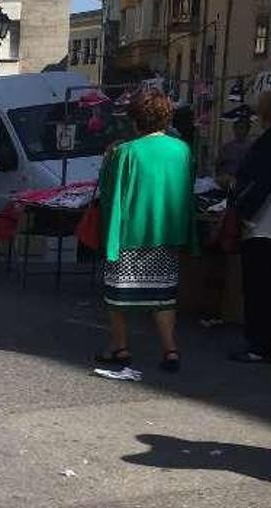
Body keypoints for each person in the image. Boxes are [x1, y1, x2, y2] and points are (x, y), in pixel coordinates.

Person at [92, 88, 195, 381]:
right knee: (163, 296)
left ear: (135, 119)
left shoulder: (124, 153)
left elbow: (111, 195)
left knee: (118, 295)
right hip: (166, 233)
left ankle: (120, 346)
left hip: (130, 234)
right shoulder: (182, 150)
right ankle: (170, 348)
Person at [228, 88, 271, 364]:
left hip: (267, 220)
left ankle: (259, 345)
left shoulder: (270, 141)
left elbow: (258, 182)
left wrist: (243, 214)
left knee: (259, 286)